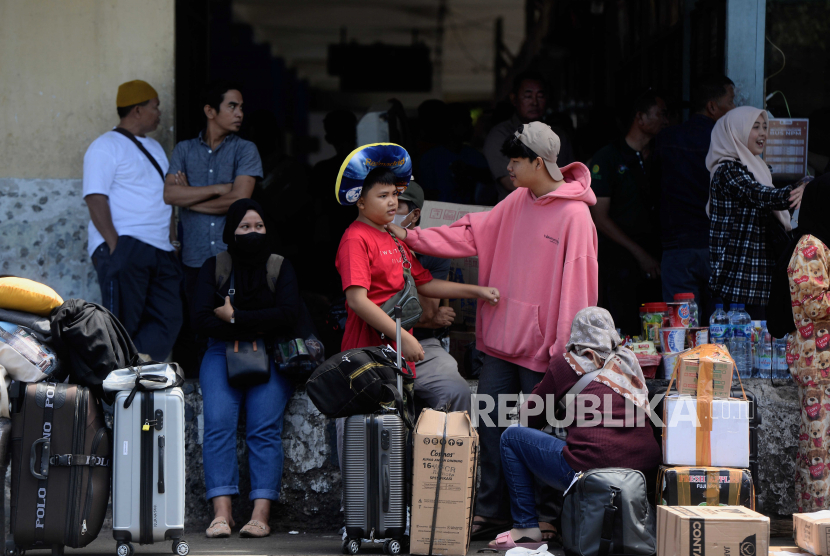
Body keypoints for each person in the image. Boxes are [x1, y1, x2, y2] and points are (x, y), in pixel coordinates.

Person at [388, 122, 598, 542]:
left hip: (544, 350)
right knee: (490, 426)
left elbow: (579, 289)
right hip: (501, 344)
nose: (508, 167)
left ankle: (544, 515)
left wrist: (565, 351)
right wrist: (410, 236)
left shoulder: (576, 215)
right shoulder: (515, 200)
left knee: (539, 433)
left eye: (515, 160)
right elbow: (469, 232)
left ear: (539, 162)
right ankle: (492, 511)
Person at [334, 167, 500, 477]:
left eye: (395, 195)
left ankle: (417, 502)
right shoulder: (355, 238)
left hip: (400, 355)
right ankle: (356, 516)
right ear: (359, 201)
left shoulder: (394, 238)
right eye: (382, 196)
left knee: (396, 430)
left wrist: (476, 291)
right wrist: (404, 336)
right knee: (362, 430)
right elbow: (358, 300)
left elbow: (424, 284)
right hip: (367, 354)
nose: (392, 203)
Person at [489, 307, 661, 549]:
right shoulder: (629, 361)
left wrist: (554, 394)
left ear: (576, 335)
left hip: (590, 467)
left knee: (511, 438)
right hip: (642, 469)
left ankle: (526, 528)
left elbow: (529, 419)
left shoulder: (567, 364)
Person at [193, 199, 297, 539]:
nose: (252, 233)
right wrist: (256, 324)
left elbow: (288, 315)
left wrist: (235, 317)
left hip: (270, 356)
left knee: (264, 430)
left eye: (258, 227)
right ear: (231, 231)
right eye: (244, 227)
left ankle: (260, 515)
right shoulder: (215, 266)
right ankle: (221, 514)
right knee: (218, 427)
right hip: (220, 354)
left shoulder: (280, 267)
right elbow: (202, 320)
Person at [82, 79, 182, 361]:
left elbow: (167, 197)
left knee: (169, 318)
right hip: (127, 246)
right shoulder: (104, 146)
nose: (159, 113)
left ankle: (138, 373)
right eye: (155, 107)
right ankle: (120, 390)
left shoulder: (156, 148)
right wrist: (116, 247)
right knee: (123, 326)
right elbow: (95, 198)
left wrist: (173, 241)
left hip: (161, 250)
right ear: (137, 110)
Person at [164, 80, 263, 300]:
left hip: (234, 258)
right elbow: (170, 195)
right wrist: (219, 189)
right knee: (198, 328)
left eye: (241, 107)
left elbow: (238, 200)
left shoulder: (245, 149)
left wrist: (188, 197)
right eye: (232, 106)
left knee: (235, 327)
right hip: (194, 259)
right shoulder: (184, 149)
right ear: (210, 111)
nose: (240, 113)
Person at [707, 106, 807, 318]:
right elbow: (761, 195)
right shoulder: (728, 171)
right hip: (740, 282)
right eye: (755, 127)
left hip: (759, 279)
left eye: (764, 127)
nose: (763, 133)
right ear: (736, 132)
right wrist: (799, 192)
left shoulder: (758, 169)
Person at [767, 175, 830, 512]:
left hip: (825, 366)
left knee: (822, 449)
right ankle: (819, 523)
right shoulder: (810, 245)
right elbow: (816, 306)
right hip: (818, 366)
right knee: (819, 451)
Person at [589, 89, 669, 335]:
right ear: (640, 118)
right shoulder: (609, 157)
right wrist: (639, 254)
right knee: (623, 328)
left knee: (656, 327)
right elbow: (598, 216)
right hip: (619, 257)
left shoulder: (660, 154)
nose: (666, 121)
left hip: (657, 258)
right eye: (660, 114)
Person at [654, 76, 735, 313]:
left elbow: (652, 192)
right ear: (712, 107)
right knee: (721, 328)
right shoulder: (730, 145)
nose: (735, 108)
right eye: (731, 102)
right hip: (718, 248)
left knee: (681, 329)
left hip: (677, 248)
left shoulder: (667, 139)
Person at [393, 180, 471, 413]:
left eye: (397, 204)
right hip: (374, 343)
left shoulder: (431, 250)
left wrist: (410, 255)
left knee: (456, 390)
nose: (389, 207)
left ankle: (447, 450)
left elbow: (425, 315)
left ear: (415, 215)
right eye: (385, 199)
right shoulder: (364, 242)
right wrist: (430, 318)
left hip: (423, 345)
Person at [483, 71, 575, 201]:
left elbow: (571, 178)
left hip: (558, 211)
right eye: (528, 96)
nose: (534, 103)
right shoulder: (500, 135)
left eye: (540, 96)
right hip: (517, 214)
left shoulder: (559, 136)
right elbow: (510, 182)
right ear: (514, 99)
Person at [310, 109, 359, 299]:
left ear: (329, 137)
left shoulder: (322, 170)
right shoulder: (370, 166)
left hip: (333, 243)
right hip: (357, 239)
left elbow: (317, 210)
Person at [418, 104, 497, 205]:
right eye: (466, 123)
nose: (471, 128)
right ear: (452, 126)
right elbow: (428, 195)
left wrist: (470, 171)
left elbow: (489, 180)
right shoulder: (430, 158)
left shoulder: (474, 155)